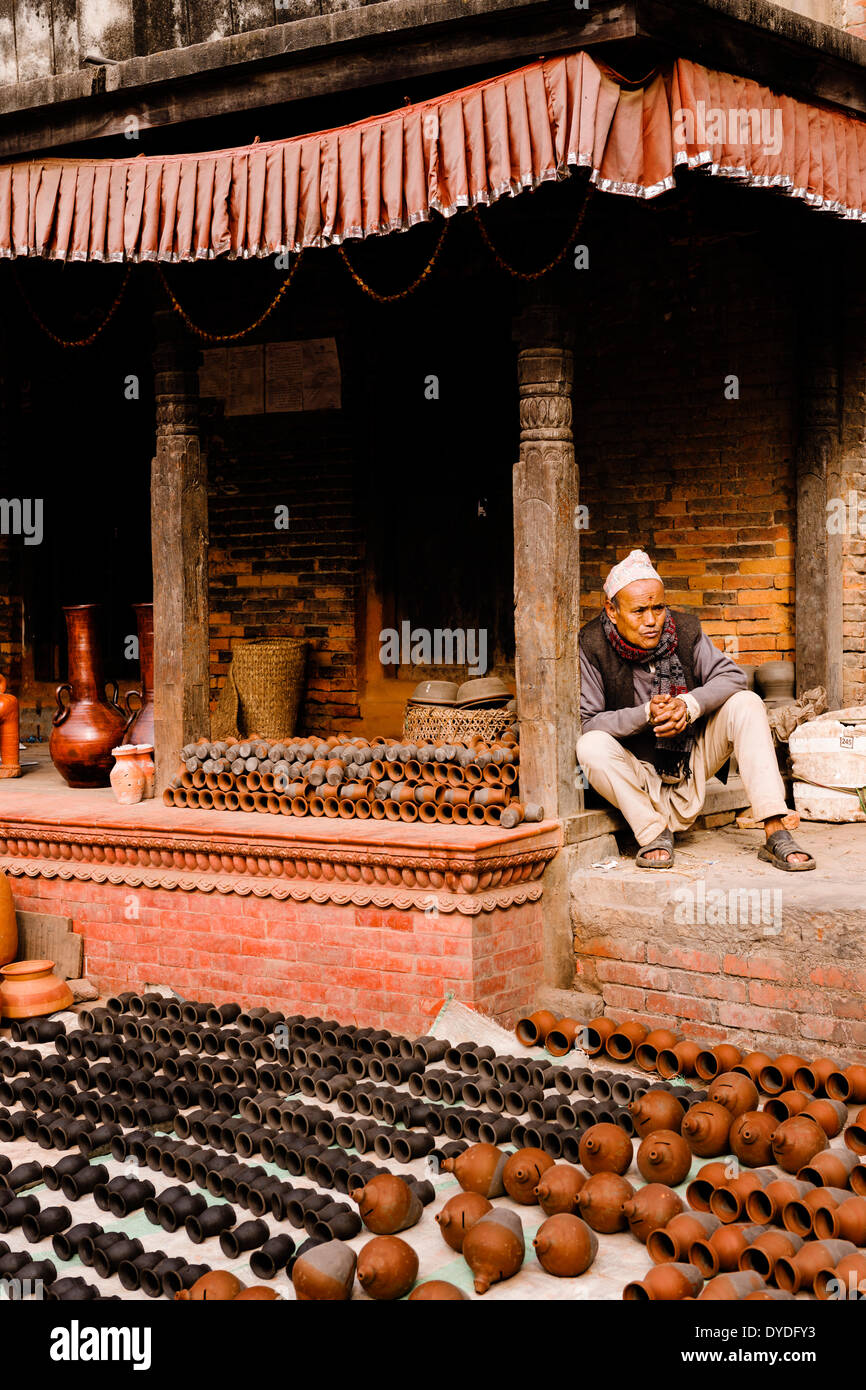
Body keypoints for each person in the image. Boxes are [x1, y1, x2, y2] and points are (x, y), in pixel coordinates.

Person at [576, 549, 815, 871]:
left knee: (746, 702)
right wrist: (647, 714)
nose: (651, 621)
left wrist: (688, 706)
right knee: (590, 745)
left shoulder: (684, 630)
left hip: (689, 765)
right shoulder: (590, 644)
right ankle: (653, 833)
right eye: (639, 611)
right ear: (612, 609)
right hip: (638, 777)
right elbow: (588, 721)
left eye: (658, 608)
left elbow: (731, 676)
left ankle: (775, 829)